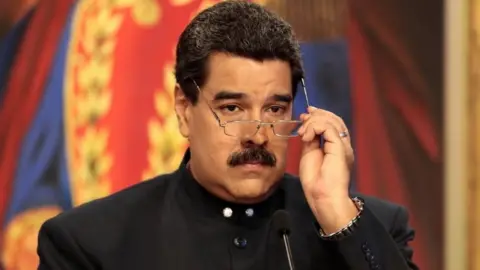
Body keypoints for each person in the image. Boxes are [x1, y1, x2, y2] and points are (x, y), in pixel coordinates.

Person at [37, 1, 418, 269]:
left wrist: (337, 214)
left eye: (275, 109)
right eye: (232, 109)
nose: (257, 135)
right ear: (185, 110)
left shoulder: (372, 228)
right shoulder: (90, 244)